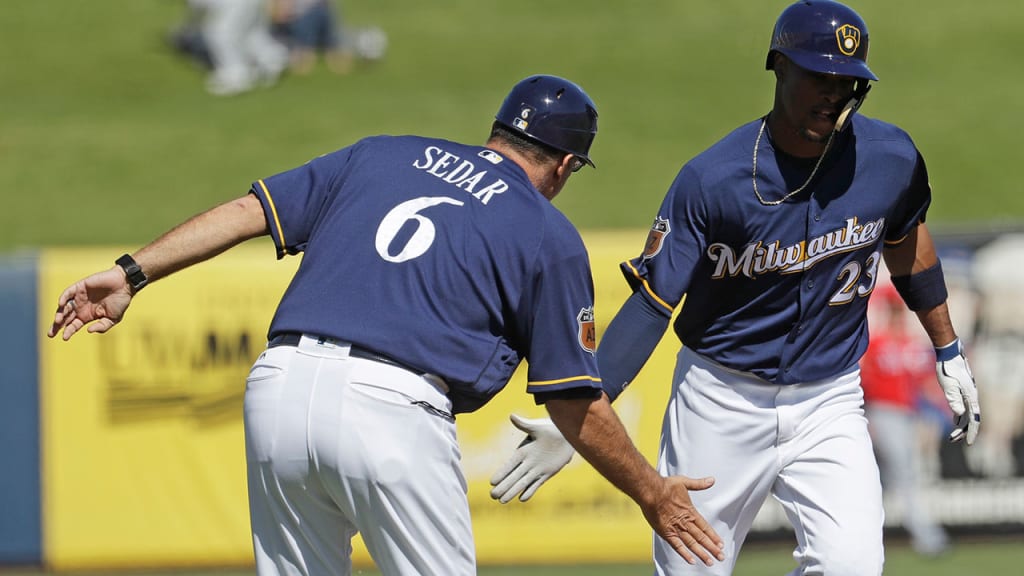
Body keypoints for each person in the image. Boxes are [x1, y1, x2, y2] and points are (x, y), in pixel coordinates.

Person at [46, 75, 725, 575]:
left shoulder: (381, 154)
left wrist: (133, 273)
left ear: (499, 130)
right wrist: (652, 492)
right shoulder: (546, 232)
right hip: (390, 411)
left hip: (277, 387)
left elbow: (251, 209)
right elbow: (574, 398)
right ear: (568, 165)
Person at [490, 3, 981, 574]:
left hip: (829, 400)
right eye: (818, 76)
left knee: (852, 566)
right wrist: (580, 414)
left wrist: (946, 348)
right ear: (777, 65)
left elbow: (906, 238)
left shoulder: (890, 158)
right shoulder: (712, 179)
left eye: (847, 81)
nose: (833, 92)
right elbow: (651, 307)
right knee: (693, 566)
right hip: (720, 399)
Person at [861, 281, 950, 557]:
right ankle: (928, 539)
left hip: (905, 416)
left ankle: (865, 538)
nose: (897, 313)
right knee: (905, 476)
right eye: (893, 308)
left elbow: (926, 386)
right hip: (882, 414)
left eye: (898, 309)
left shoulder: (910, 344)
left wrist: (942, 411)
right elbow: (865, 384)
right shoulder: (876, 344)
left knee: (885, 482)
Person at [190, 0, 290, 96]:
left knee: (220, 34)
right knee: (252, 35)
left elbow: (199, 11)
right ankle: (274, 59)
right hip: (253, 2)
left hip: (236, 4)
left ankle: (237, 75)